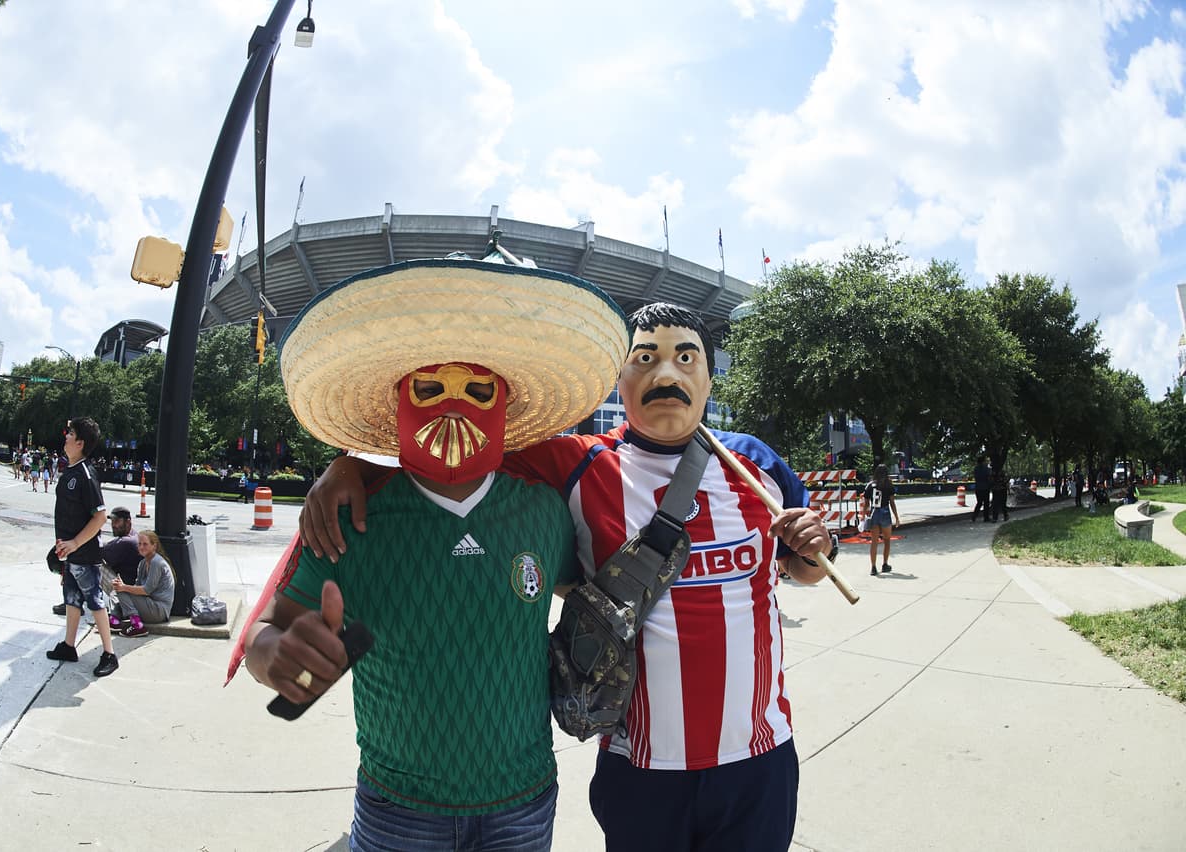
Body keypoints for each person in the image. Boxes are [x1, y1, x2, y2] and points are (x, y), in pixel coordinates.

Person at [304, 301, 836, 852]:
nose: (667, 374)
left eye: (686, 358)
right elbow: (455, 454)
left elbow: (806, 567)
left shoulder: (757, 466)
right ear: (619, 381)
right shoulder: (578, 464)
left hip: (759, 757)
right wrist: (351, 466)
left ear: (707, 377)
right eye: (645, 358)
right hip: (642, 766)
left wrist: (816, 549)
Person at [242, 254, 630, 851]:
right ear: (399, 399)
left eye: (478, 391)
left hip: (522, 804)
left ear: (505, 405)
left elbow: (594, 590)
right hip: (398, 810)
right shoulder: (350, 520)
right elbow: (269, 632)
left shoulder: (543, 512)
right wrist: (278, 657)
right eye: (431, 388)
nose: (454, 407)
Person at [46, 417, 119, 678]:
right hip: (71, 553)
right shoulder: (71, 471)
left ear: (80, 443)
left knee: (95, 602)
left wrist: (75, 543)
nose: (65, 436)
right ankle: (68, 645)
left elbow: (100, 516)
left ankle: (109, 654)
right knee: (72, 600)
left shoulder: (86, 475)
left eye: (71, 433)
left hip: (85, 554)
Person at [111, 529, 176, 637]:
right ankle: (114, 621)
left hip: (159, 611)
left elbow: (146, 590)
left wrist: (124, 587)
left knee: (122, 591)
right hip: (148, 604)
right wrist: (122, 586)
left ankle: (137, 626)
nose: (141, 547)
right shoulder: (142, 563)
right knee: (118, 591)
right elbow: (137, 588)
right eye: (139, 544)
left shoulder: (157, 562)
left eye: (145, 544)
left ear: (154, 546)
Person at [860, 463, 900, 575]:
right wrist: (896, 517)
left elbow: (866, 503)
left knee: (874, 541)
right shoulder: (888, 485)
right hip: (885, 512)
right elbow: (892, 502)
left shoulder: (870, 485)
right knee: (887, 540)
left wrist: (863, 516)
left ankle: (873, 567)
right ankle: (885, 564)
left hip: (874, 513)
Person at [972, 455, 992, 522]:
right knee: (986, 503)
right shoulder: (986, 469)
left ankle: (974, 515)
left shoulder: (976, 469)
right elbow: (988, 477)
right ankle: (986, 517)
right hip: (985, 487)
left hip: (978, 487)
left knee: (979, 502)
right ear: (983, 461)